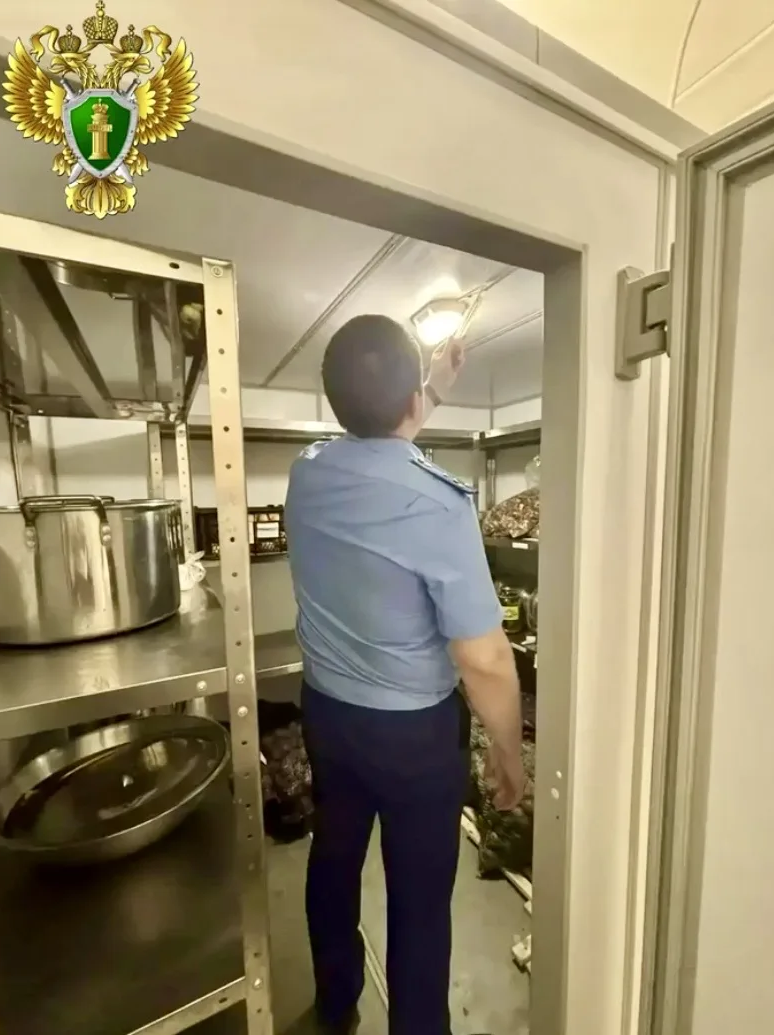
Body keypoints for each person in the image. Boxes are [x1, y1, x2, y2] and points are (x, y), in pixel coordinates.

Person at [284, 314, 524, 1035]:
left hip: (328, 715)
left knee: (333, 862)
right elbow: (484, 658)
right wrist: (507, 753)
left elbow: (377, 445)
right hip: (414, 736)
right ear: (410, 402)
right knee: (418, 902)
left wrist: (431, 388)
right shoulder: (439, 502)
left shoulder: (308, 474)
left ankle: (335, 1006)